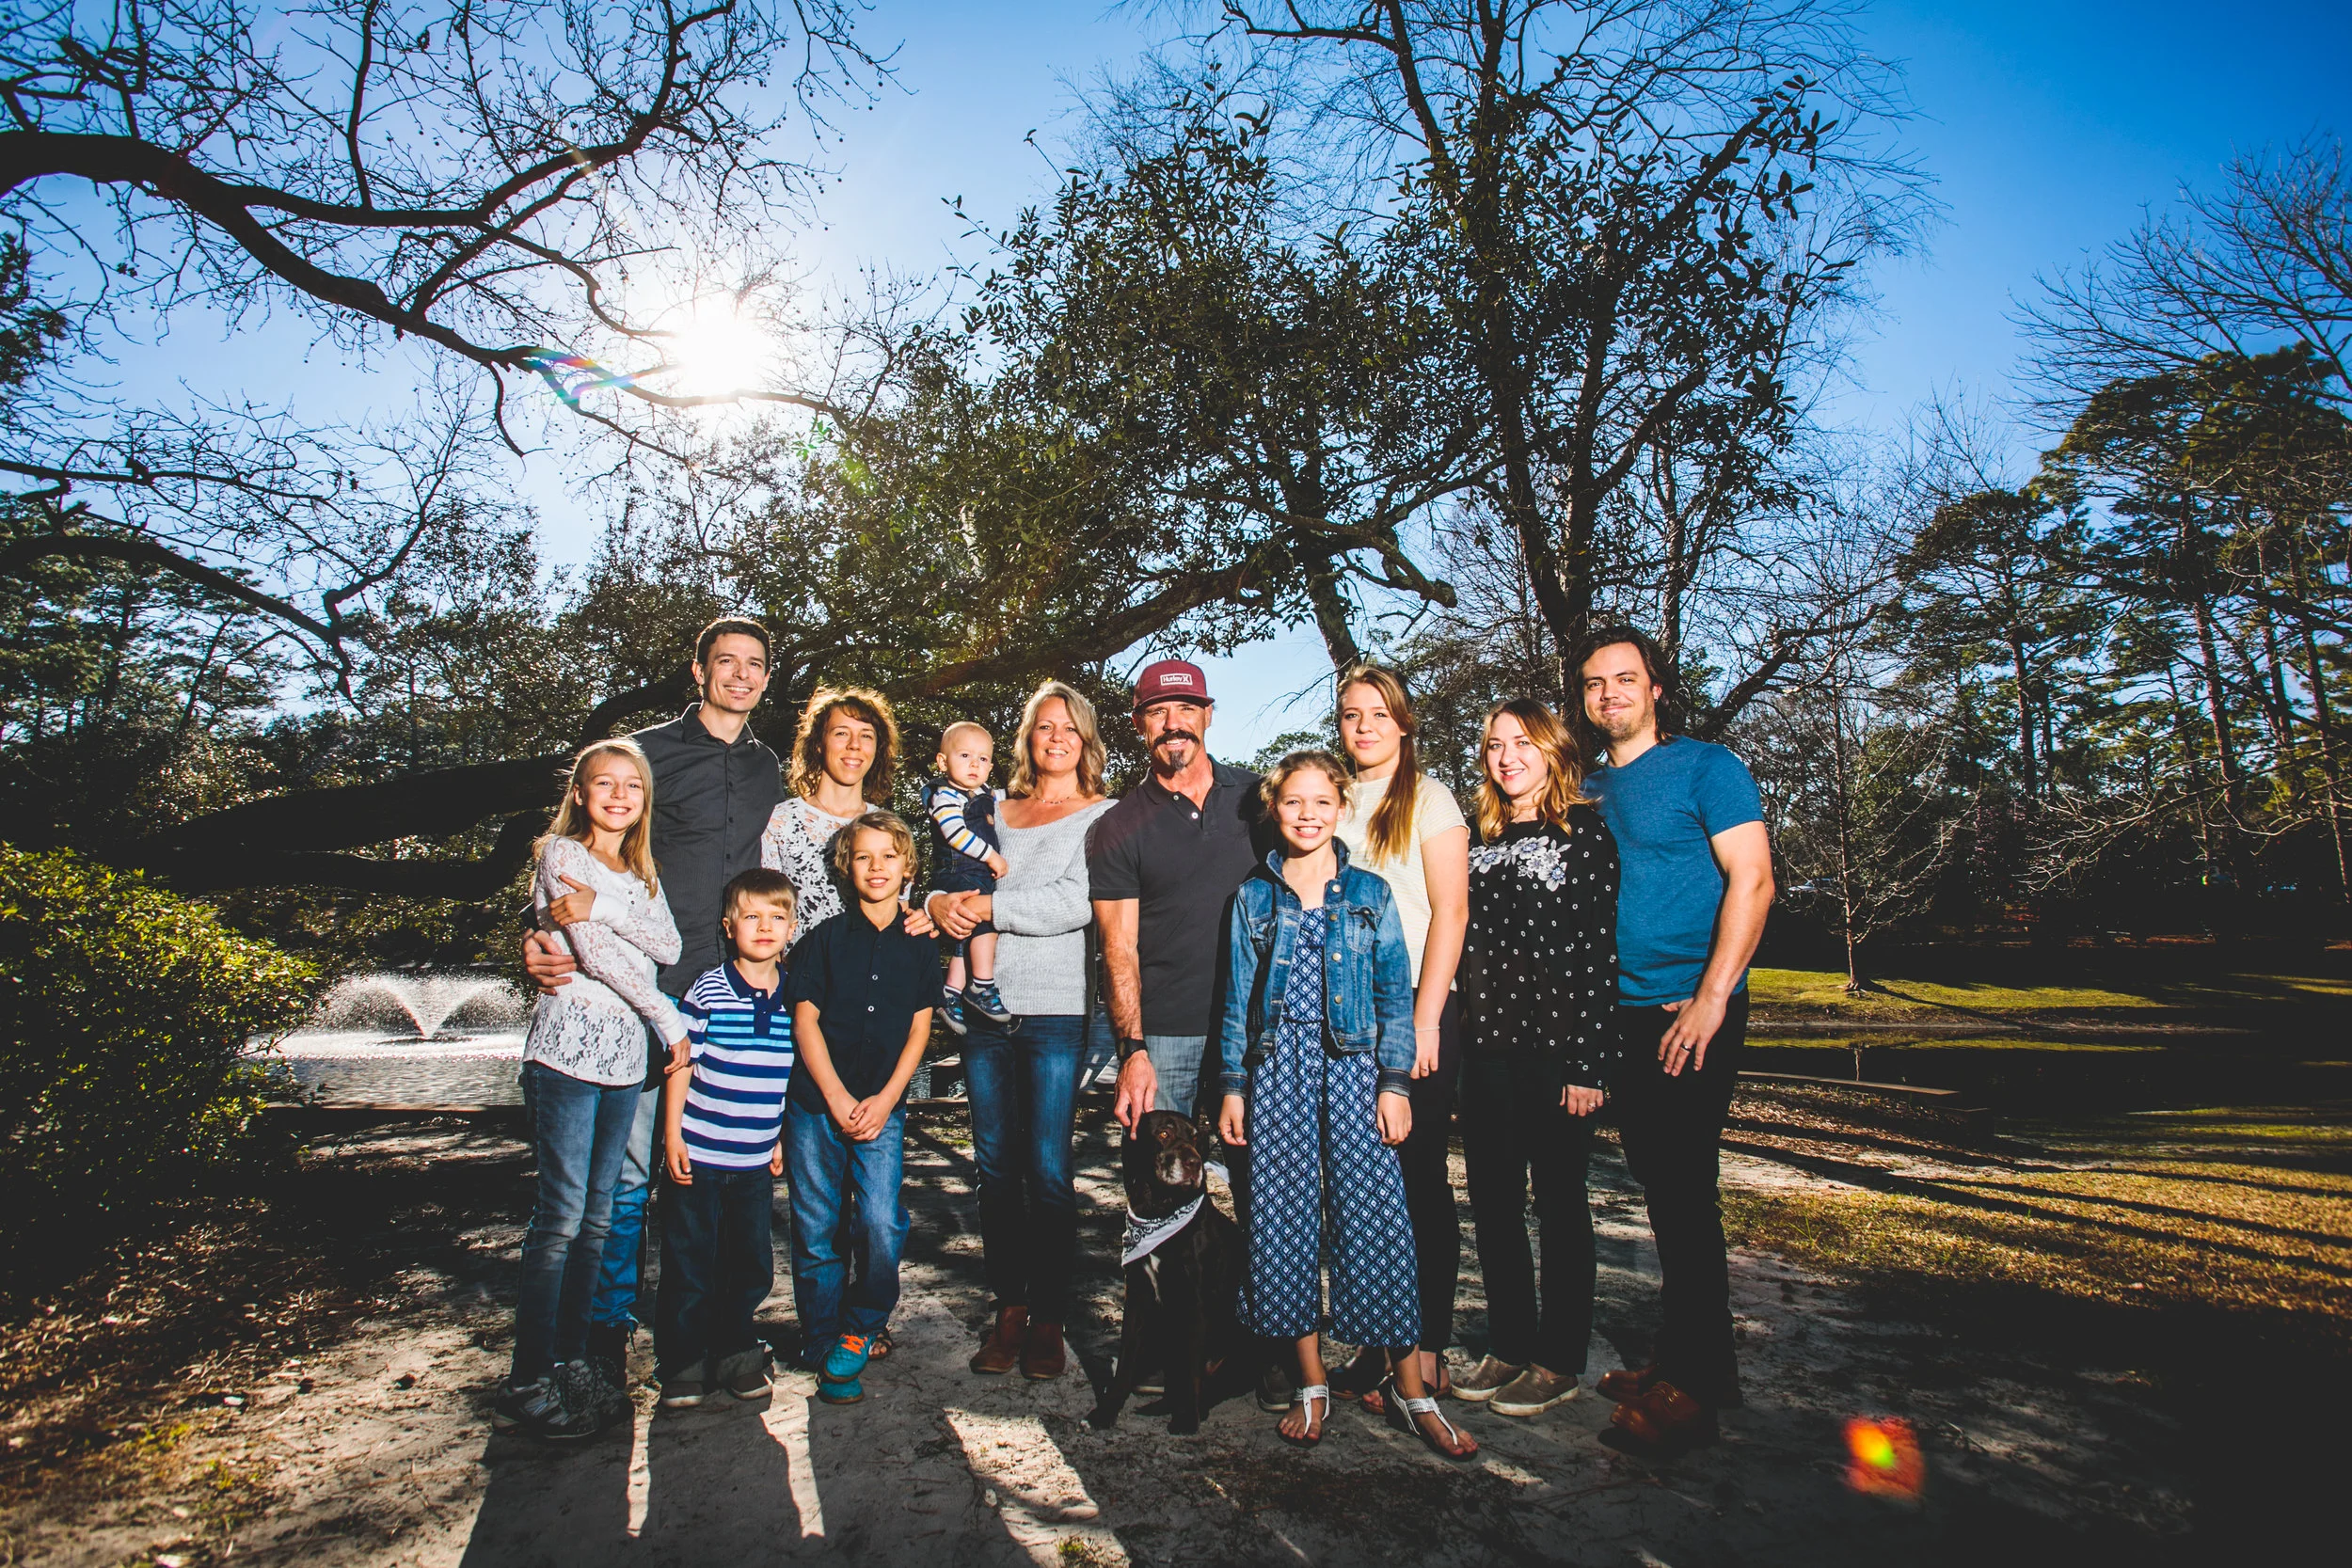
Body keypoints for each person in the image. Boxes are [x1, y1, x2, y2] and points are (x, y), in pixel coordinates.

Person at [521, 618, 785, 1387]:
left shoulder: (769, 767)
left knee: (721, 1173)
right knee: (629, 1181)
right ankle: (600, 1343)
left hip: (731, 990)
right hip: (640, 994)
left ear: (766, 678)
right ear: (697, 669)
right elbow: (581, 857)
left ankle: (714, 1335)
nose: (740, 676)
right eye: (726, 662)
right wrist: (539, 932)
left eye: (755, 666)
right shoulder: (647, 755)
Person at [1215, 752, 1475, 1460]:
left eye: (1321, 802)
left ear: (1340, 808)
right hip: (1278, 1074)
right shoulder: (1253, 898)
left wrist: (1395, 1082)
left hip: (1356, 1069)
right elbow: (1236, 1004)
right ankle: (1311, 1379)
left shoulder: (1369, 893)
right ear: (1276, 809)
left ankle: (1410, 1383)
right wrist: (1233, 1088)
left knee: (1377, 1216)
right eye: (1293, 802)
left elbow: (1397, 993)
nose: (1307, 814)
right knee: (1282, 1216)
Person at [1575, 626, 1772, 1456]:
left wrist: (1710, 998)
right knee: (1661, 1187)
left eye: (1626, 678)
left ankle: (1691, 1392)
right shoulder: (1586, 788)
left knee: (1687, 1192)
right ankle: (1691, 1358)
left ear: (1656, 688)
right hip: (1619, 1014)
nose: (1610, 693)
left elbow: (1753, 879)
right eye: (1594, 683)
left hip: (1687, 1012)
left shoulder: (1707, 767)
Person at [1089, 657, 1286, 1408]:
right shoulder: (1119, 825)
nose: (1173, 724)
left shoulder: (1255, 802)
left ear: (1207, 714)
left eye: (1186, 709)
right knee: (1159, 1198)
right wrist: (1133, 1051)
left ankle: (1264, 1344)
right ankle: (1169, 1346)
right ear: (1139, 723)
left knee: (1262, 1187)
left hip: (1256, 1028)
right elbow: (1118, 947)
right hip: (1164, 1030)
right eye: (1157, 711)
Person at [497, 738, 691, 1442]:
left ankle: (575, 1361)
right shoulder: (560, 853)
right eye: (603, 783)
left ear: (644, 798)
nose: (617, 795)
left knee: (602, 1218)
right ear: (580, 792)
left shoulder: (638, 871)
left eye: (630, 785)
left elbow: (666, 944)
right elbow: (598, 955)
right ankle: (527, 1377)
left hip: (621, 1062)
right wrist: (670, 1020)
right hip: (568, 1053)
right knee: (561, 1219)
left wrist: (601, 907)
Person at [929, 683, 1114, 1381]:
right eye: (1044, 727)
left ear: (1086, 740)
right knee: (997, 1169)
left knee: (1049, 1169)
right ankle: (1008, 1307)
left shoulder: (1103, 814)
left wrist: (987, 905)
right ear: (1028, 739)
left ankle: (1049, 1319)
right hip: (984, 1010)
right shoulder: (992, 808)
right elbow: (950, 871)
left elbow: (1074, 902)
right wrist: (939, 898)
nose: (1056, 737)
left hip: (1056, 1009)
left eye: (1069, 728)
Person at [1451, 699, 1621, 1420]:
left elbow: (1597, 952)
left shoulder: (1584, 831)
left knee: (1557, 1203)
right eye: (1494, 744)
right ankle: (1511, 1343)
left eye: (1521, 742)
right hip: (1485, 1046)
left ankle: (1558, 1359)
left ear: (1551, 750)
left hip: (1556, 1051)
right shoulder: (1476, 837)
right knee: (1491, 1200)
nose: (1506, 755)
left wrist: (1590, 1065)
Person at [1325, 666, 1470, 1409]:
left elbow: (1450, 912)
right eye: (1352, 715)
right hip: (1344, 1015)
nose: (1365, 727)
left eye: (1379, 714)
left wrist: (1422, 1017)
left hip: (1414, 1008)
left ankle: (1429, 1347)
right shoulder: (1336, 800)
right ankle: (1378, 1345)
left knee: (1415, 1182)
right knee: (1361, 1186)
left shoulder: (1430, 798)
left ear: (1404, 722)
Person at [785, 811, 936, 1405]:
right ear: (848, 868)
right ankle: (823, 1337)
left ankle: (865, 1319)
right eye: (864, 857)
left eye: (889, 856)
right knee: (817, 1227)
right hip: (816, 1105)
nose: (877, 868)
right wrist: (839, 1096)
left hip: (884, 1104)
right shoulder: (822, 940)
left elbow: (921, 1030)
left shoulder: (923, 943)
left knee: (878, 1220)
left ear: (908, 866)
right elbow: (806, 1021)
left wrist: (886, 1099)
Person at [655, 868, 798, 1411]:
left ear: (791, 927)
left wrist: (780, 1137)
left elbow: (785, 1074)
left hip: (755, 1158)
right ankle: (684, 1364)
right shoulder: (709, 988)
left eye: (777, 917)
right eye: (752, 917)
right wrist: (672, 1133)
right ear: (728, 924)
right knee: (690, 1260)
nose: (764, 927)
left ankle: (736, 1351)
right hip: (700, 1150)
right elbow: (682, 1064)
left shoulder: (795, 995)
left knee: (749, 1261)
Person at [761, 686, 900, 944]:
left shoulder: (889, 828)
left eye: (866, 736)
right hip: (797, 977)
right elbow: (763, 914)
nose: (854, 745)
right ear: (818, 744)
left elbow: (900, 912)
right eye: (841, 733)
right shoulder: (779, 822)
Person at [923, 721, 1013, 1036]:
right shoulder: (945, 796)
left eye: (984, 758)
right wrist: (991, 856)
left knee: (966, 934)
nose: (975, 764)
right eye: (965, 756)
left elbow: (1006, 796)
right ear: (942, 761)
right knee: (986, 921)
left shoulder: (983, 793)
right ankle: (982, 987)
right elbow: (955, 834)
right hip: (957, 871)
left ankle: (951, 992)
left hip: (973, 874)